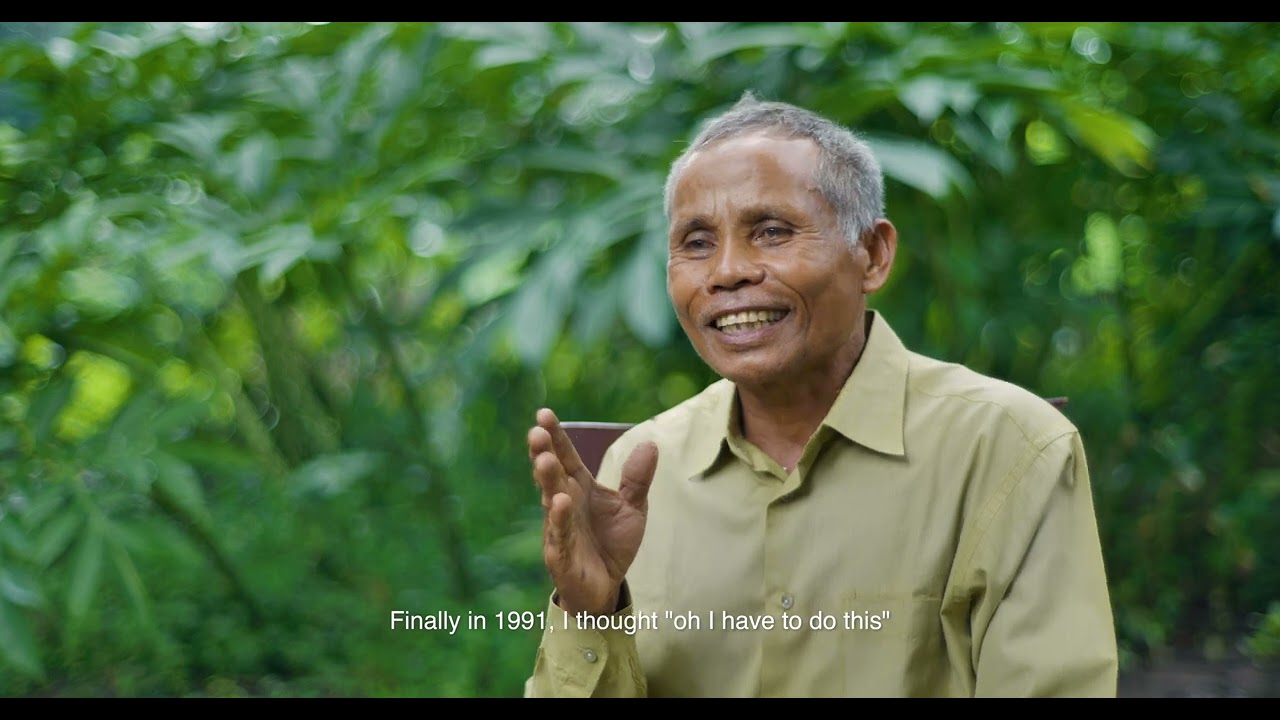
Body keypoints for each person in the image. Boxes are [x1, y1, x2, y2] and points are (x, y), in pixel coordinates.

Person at [523, 92, 1118, 698]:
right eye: (697, 243)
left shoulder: (1006, 448)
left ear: (873, 255)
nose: (727, 270)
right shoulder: (642, 466)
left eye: (772, 231)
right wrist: (589, 614)